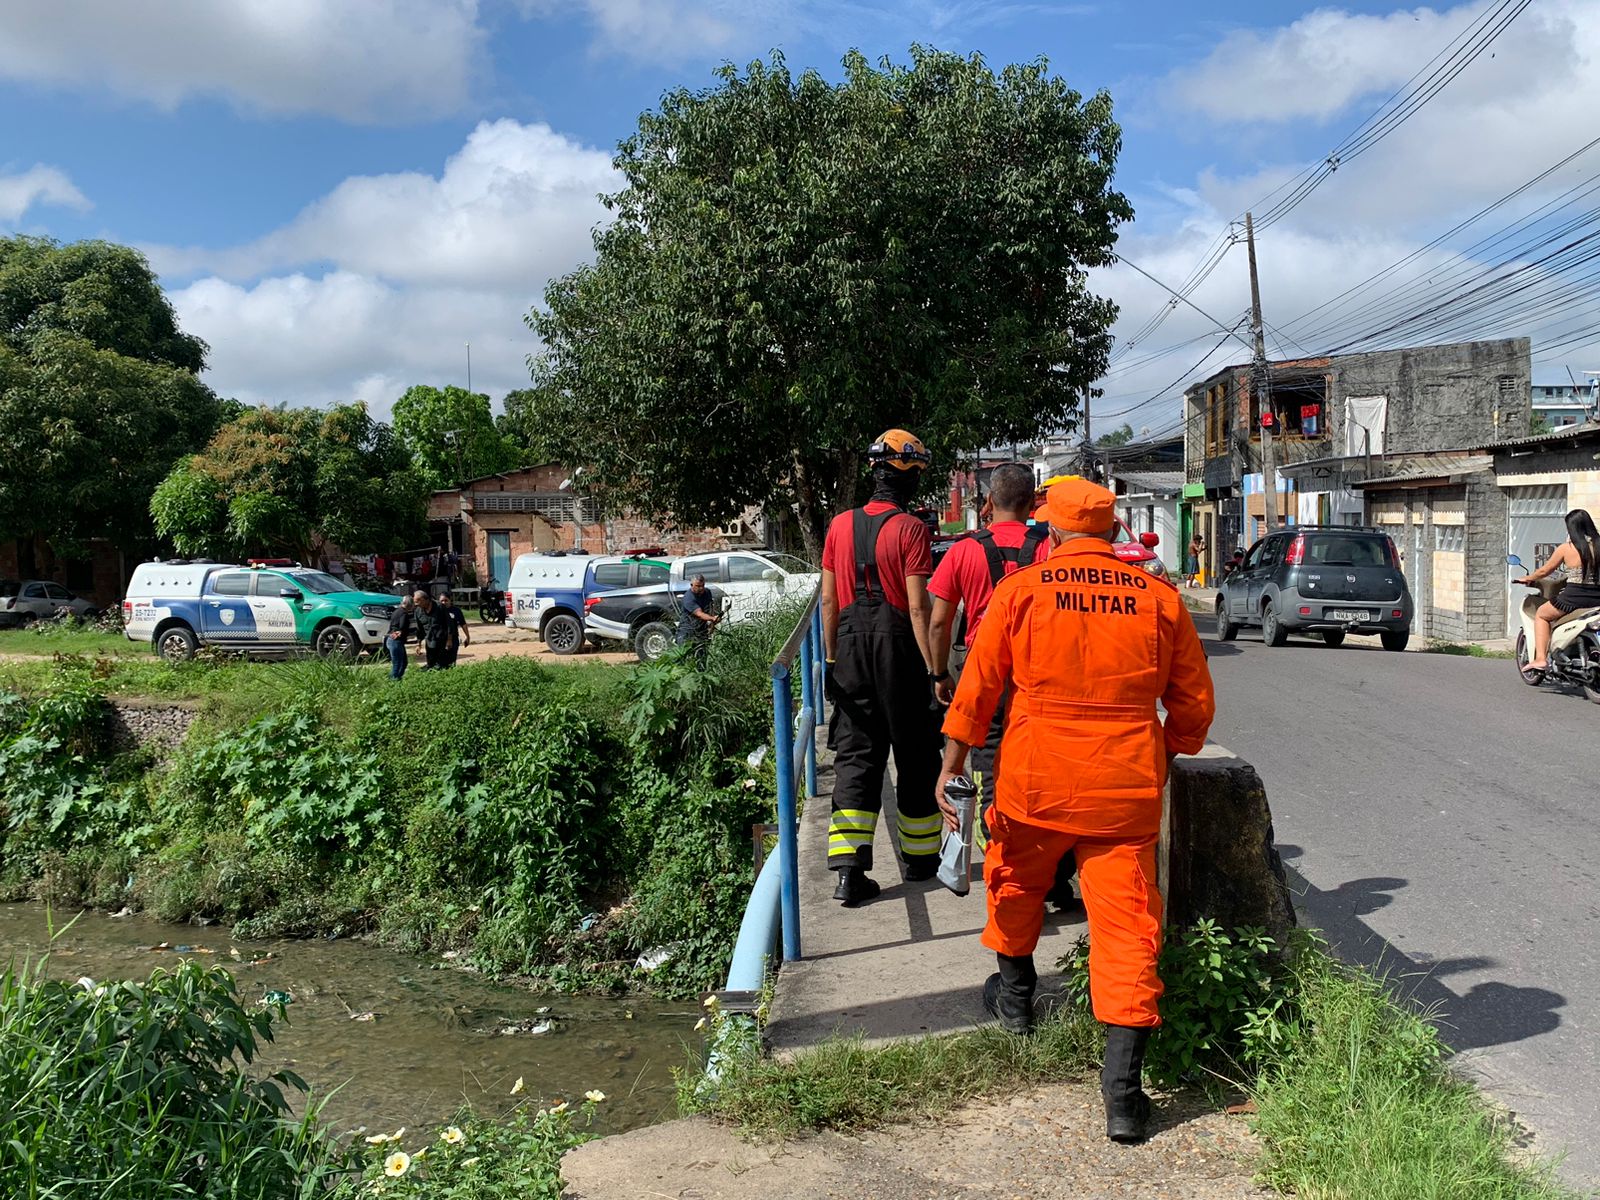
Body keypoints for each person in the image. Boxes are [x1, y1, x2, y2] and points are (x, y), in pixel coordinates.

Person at [937, 476, 1215, 1143]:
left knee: (1014, 886)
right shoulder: (1158, 599)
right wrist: (1163, 752)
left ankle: (1016, 1005)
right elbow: (1195, 708)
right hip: (1123, 790)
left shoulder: (1023, 591)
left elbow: (977, 690)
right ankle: (1122, 1097)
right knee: (1127, 928)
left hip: (1035, 779)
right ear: (1114, 532)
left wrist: (950, 765)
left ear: (1052, 533)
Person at [928, 463, 1076, 904]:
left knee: (994, 773)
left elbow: (938, 622)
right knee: (1050, 772)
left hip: (982, 673)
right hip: (1040, 671)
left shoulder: (962, 551)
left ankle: (1009, 880)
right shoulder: (1049, 550)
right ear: (1033, 505)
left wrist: (940, 674)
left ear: (988, 503)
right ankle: (1056, 879)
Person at [820, 428, 943, 906]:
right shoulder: (911, 529)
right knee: (914, 752)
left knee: (856, 756)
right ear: (908, 476)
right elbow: (917, 609)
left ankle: (849, 871)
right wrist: (935, 671)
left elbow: (829, 600)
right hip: (899, 652)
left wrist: (831, 660)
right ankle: (919, 861)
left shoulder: (838, 526)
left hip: (849, 649)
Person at [1517, 507, 1600, 671]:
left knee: (1542, 615)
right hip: (1597, 598)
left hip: (1574, 598)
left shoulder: (1566, 548)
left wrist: (1528, 578)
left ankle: (1540, 659)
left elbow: (1544, 571)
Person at [676, 573, 722, 667]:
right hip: (687, 631)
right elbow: (699, 614)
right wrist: (712, 618)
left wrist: (713, 622)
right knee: (682, 659)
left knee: (701, 658)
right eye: (698, 586)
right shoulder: (688, 598)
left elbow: (710, 607)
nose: (701, 588)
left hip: (701, 630)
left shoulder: (707, 592)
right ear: (691, 585)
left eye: (702, 586)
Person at [413, 589, 448, 670]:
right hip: (429, 640)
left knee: (442, 664)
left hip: (442, 640)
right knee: (431, 663)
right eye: (415, 602)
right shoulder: (418, 611)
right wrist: (418, 644)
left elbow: (449, 624)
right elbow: (419, 629)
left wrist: (449, 640)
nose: (416, 604)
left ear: (425, 599)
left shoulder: (439, 607)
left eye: (418, 602)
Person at [437, 589, 471, 667]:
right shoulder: (437, 611)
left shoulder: (456, 611)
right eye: (442, 601)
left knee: (451, 662)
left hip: (453, 639)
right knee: (440, 662)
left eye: (446, 600)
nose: (444, 603)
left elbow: (463, 624)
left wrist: (468, 637)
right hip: (440, 640)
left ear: (450, 600)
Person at [386, 595, 414, 680]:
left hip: (390, 639)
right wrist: (404, 631)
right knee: (399, 663)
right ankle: (394, 680)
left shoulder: (396, 611)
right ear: (410, 604)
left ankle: (396, 678)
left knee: (399, 662)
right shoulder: (404, 614)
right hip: (396, 641)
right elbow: (402, 626)